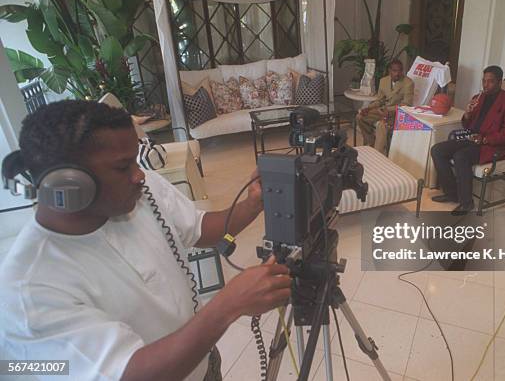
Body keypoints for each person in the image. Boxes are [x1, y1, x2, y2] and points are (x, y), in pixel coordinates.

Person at [0, 101, 291, 381]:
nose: (139, 175)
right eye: (122, 167)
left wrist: (253, 203)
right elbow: (129, 374)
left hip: (203, 366)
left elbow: (200, 229)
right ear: (69, 186)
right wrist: (228, 305)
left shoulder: (140, 190)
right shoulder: (28, 290)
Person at [430, 66, 505, 215]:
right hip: (472, 138)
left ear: (500, 82)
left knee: (461, 156)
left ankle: (466, 203)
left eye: (490, 81)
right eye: (484, 81)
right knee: (437, 150)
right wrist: (467, 114)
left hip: (492, 145)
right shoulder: (478, 98)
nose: (486, 85)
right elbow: (467, 125)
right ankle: (451, 193)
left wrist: (484, 139)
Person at [356, 59, 414, 153]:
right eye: (394, 71)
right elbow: (380, 100)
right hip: (382, 110)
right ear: (389, 71)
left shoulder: (408, 83)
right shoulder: (384, 81)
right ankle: (371, 143)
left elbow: (407, 104)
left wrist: (388, 110)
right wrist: (368, 108)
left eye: (400, 70)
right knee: (360, 117)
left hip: (397, 113)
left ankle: (377, 154)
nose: (397, 73)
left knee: (381, 125)